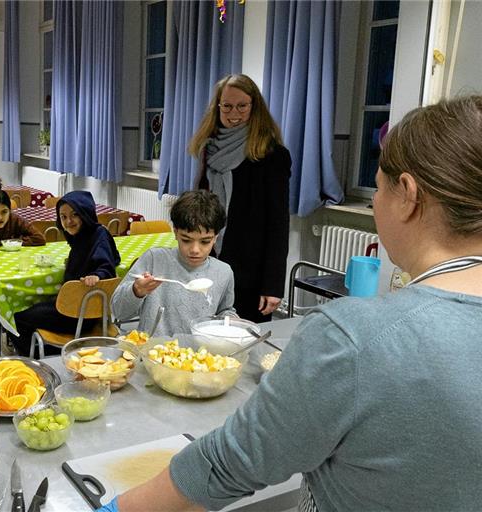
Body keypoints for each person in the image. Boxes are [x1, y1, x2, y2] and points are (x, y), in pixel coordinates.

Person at [98, 96, 482, 511]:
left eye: (378, 185)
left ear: (406, 195)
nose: (374, 203)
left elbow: (232, 463)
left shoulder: (353, 337)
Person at [189, 74, 290, 323]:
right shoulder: (208, 149)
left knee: (243, 346)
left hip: (249, 272)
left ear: (254, 107)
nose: (234, 113)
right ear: (218, 107)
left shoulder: (272, 154)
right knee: (203, 337)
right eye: (227, 106)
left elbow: (278, 224)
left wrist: (273, 285)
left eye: (242, 106)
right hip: (208, 263)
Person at [8, 190, 121, 356]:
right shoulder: (82, 237)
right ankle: (52, 350)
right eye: (63, 217)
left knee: (15, 318)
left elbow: (106, 265)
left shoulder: (98, 234)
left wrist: (97, 275)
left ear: (85, 214)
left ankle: (44, 354)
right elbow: (112, 256)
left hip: (80, 314)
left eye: (75, 215)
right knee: (31, 310)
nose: (69, 221)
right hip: (78, 308)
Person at [112, 191, 235, 337]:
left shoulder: (224, 272)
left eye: (205, 241)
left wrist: (232, 321)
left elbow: (225, 310)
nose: (195, 250)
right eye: (186, 240)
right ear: (175, 233)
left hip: (199, 355)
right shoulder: (154, 260)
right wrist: (136, 290)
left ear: (216, 238)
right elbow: (118, 311)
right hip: (153, 352)